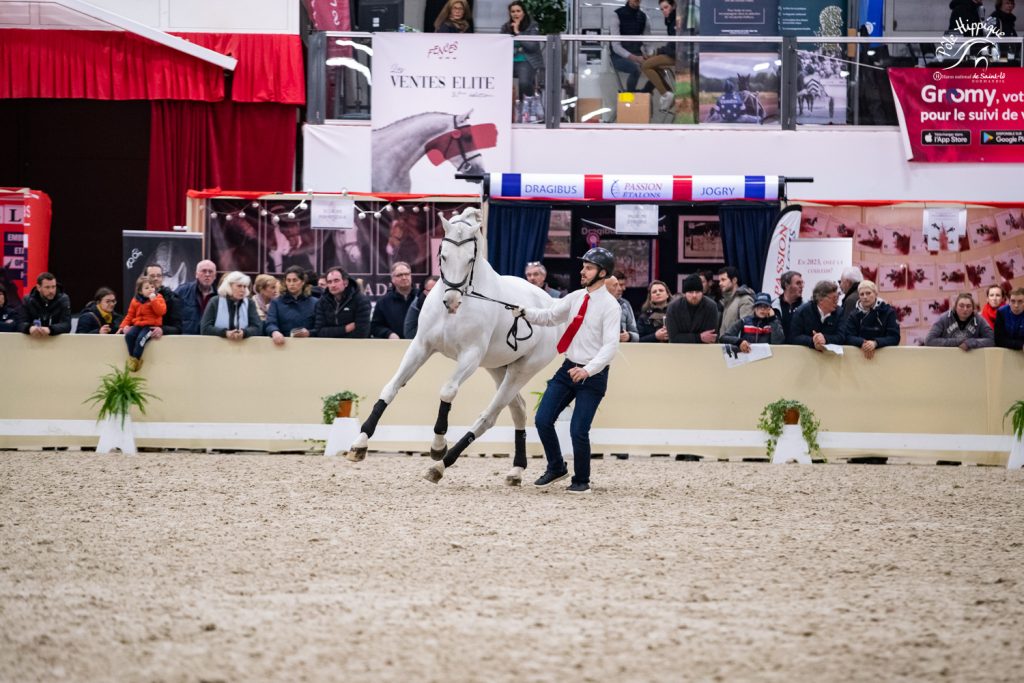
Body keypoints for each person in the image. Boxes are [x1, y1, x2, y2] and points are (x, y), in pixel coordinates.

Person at [514, 247, 620, 494]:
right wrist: (524, 312)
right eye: (584, 266)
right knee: (542, 420)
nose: (582, 271)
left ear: (602, 273)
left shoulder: (610, 307)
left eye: (589, 267)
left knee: (578, 431)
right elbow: (550, 316)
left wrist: (589, 370)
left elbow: (610, 346)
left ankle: (581, 481)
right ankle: (556, 467)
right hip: (568, 369)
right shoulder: (574, 297)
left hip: (592, 376)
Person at [117, 275, 167, 372]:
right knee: (129, 336)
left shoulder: (158, 298)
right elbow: (130, 315)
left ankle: (136, 358)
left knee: (140, 339)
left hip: (151, 326)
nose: (150, 290)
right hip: (138, 325)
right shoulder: (135, 300)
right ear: (140, 291)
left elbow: (161, 312)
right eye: (147, 288)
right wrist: (123, 326)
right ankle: (133, 359)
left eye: (152, 287)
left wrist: (153, 301)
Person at [841, 280, 901, 359]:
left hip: (885, 358)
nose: (865, 297)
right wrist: (863, 343)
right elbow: (847, 336)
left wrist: (875, 343)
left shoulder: (888, 312)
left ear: (876, 294)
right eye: (862, 294)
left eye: (868, 293)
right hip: (859, 359)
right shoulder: (854, 314)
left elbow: (895, 337)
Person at [641, 0, 681, 111]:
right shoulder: (670, 20)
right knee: (652, 63)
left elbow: (675, 45)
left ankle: (665, 94)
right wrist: (659, 51)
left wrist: (659, 51)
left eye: (666, 7)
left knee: (646, 65)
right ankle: (668, 94)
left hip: (678, 56)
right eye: (662, 9)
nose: (664, 11)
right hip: (674, 53)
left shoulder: (677, 20)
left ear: (673, 6)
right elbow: (672, 44)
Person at [200, 271, 262, 340]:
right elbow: (205, 328)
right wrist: (225, 333)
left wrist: (244, 333)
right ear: (228, 286)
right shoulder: (215, 301)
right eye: (239, 286)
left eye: (244, 287)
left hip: (242, 347)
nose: (242, 290)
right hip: (216, 347)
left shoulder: (249, 303)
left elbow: (258, 328)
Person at [314, 266, 372, 339]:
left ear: (346, 282)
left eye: (336, 280)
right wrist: (345, 329)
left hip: (355, 347)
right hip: (329, 346)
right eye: (329, 282)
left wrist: (332, 333)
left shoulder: (361, 301)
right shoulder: (322, 302)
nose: (333, 285)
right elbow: (319, 332)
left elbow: (362, 333)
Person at [265, 265, 317, 345]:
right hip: (283, 345)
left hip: (309, 345)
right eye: (288, 280)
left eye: (295, 280)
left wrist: (309, 333)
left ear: (303, 282)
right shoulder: (276, 302)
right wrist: (274, 332)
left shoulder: (314, 302)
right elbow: (270, 323)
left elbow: (319, 327)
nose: (291, 284)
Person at [925, 292, 994, 351]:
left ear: (973, 308)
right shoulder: (943, 318)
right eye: (961, 306)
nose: (965, 309)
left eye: (968, 306)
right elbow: (929, 340)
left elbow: (992, 340)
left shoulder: (979, 319)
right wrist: (959, 341)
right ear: (955, 307)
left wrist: (971, 342)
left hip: (971, 359)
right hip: (946, 360)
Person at [789, 280, 846, 351]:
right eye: (833, 298)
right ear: (820, 299)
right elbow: (794, 337)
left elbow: (841, 337)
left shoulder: (839, 312)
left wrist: (825, 338)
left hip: (830, 357)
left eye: (837, 298)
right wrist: (813, 340)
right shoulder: (802, 312)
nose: (836, 301)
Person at [502, 2, 543, 101]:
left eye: (518, 11)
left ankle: (526, 105)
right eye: (513, 11)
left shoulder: (532, 26)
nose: (515, 14)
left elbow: (532, 47)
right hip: (509, 60)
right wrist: (518, 48)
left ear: (523, 13)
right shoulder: (506, 27)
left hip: (527, 60)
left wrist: (517, 33)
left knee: (523, 83)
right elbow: (502, 45)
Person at [720, 292, 785, 351]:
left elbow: (778, 343)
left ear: (770, 309)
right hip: (747, 359)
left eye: (765, 306)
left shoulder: (774, 322)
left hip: (767, 361)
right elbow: (723, 337)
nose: (762, 309)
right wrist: (739, 341)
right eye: (759, 306)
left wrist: (772, 319)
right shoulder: (744, 321)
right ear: (754, 308)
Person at [665, 274, 719, 344]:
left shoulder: (711, 306)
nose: (694, 295)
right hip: (679, 350)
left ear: (702, 292)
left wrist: (685, 337)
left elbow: (710, 337)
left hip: (703, 350)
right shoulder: (673, 307)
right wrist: (699, 337)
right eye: (690, 292)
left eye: (697, 292)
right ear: (684, 293)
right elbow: (673, 338)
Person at [611, 0, 650, 92]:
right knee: (635, 69)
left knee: (659, 68)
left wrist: (650, 54)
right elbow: (616, 46)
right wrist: (635, 58)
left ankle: (644, 92)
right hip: (618, 56)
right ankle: (630, 94)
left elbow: (648, 43)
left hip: (637, 54)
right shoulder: (616, 15)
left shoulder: (644, 17)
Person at [372, 261, 416, 339]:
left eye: (407, 274)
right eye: (399, 275)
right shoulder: (383, 302)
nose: (404, 277)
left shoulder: (421, 299)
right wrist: (388, 334)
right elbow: (375, 327)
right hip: (393, 347)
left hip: (419, 345)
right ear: (392, 279)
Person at [20, 272, 71, 337]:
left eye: (53, 287)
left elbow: (66, 325)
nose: (51, 291)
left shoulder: (63, 299)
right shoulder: (27, 300)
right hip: (33, 339)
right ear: (38, 287)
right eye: (47, 287)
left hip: (55, 341)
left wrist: (50, 329)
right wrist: (29, 328)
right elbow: (20, 323)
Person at [176, 259, 217, 335]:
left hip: (210, 340)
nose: (207, 274)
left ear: (215, 276)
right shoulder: (182, 291)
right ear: (196, 274)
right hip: (186, 341)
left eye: (210, 272)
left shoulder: (220, 296)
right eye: (204, 271)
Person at [143, 263, 183, 336]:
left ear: (162, 278)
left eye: (159, 276)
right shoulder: (138, 298)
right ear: (145, 278)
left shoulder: (172, 298)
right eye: (152, 276)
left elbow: (178, 328)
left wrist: (162, 330)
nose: (156, 279)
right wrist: (125, 327)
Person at [716, 266, 755, 337]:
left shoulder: (745, 299)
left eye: (723, 280)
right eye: (719, 281)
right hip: (725, 346)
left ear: (734, 280)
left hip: (736, 347)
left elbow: (747, 329)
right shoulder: (725, 301)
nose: (720, 283)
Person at [607, 271, 639, 343]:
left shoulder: (625, 304)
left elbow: (636, 335)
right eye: (620, 285)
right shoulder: (596, 303)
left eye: (624, 285)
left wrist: (629, 336)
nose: (624, 288)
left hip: (622, 350)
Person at [772, 270, 804, 342]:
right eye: (798, 283)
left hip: (800, 351)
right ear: (786, 285)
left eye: (802, 283)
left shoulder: (807, 307)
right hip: (778, 350)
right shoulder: (772, 306)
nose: (802, 286)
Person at [404, 275, 439, 339]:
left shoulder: (453, 302)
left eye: (439, 290)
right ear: (425, 292)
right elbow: (409, 333)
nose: (436, 293)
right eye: (431, 291)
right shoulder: (418, 304)